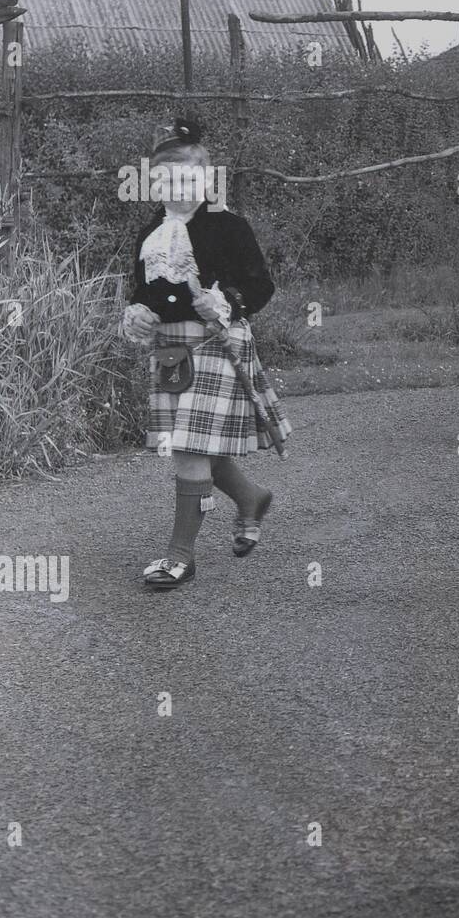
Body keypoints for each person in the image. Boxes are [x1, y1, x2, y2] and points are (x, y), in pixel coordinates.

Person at [120, 118, 290, 589]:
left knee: (191, 445)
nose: (176, 187)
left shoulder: (230, 227)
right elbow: (147, 290)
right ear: (153, 181)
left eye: (187, 177)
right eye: (165, 178)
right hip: (171, 350)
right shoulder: (152, 231)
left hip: (218, 342)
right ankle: (251, 497)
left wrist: (225, 300)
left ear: (207, 177)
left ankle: (180, 556)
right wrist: (139, 312)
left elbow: (259, 285)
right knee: (192, 441)